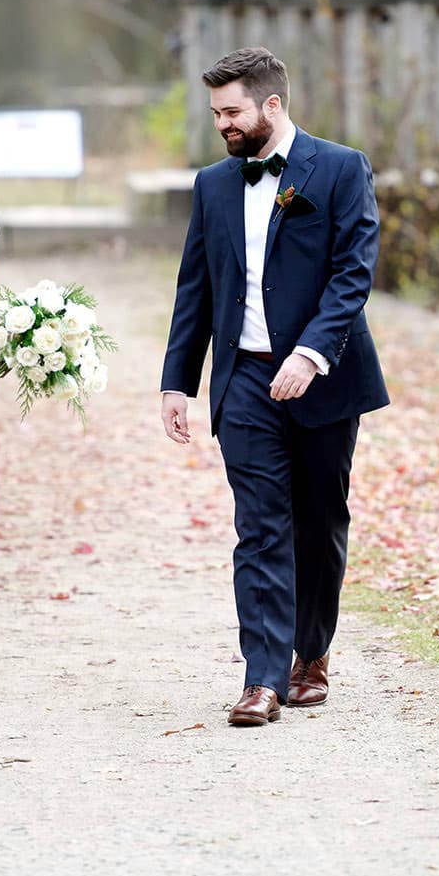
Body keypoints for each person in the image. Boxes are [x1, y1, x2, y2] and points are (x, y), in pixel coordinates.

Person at [160, 47, 389, 727]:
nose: (223, 126)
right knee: (259, 527)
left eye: (232, 113)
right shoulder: (213, 185)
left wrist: (313, 353)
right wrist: (178, 382)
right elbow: (194, 287)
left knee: (319, 523)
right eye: (215, 114)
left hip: (323, 376)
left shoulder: (341, 169)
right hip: (246, 379)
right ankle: (261, 680)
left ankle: (310, 654)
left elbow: (354, 270)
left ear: (271, 106)